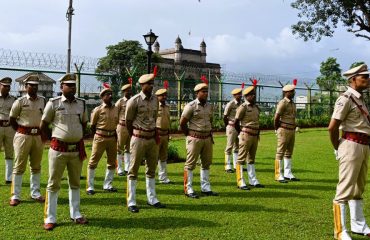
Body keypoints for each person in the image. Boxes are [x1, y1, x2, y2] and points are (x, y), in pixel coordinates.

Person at [41, 73, 88, 230]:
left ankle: (76, 214)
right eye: (69, 85)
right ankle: (50, 217)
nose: (72, 87)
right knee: (53, 184)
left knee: (75, 183)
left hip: (75, 150)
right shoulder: (53, 103)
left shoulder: (82, 104)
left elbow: (84, 124)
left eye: (74, 85)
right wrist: (54, 139)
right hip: (58, 150)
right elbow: (44, 125)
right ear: (61, 87)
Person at [329, 64, 370, 239]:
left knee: (358, 187)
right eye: (365, 77)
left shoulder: (360, 99)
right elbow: (332, 127)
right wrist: (337, 147)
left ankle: (358, 225)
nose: (368, 80)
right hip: (351, 144)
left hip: (363, 145)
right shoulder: (345, 99)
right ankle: (340, 230)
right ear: (353, 79)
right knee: (345, 188)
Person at [125, 73, 165, 213]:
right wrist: (135, 136)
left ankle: (152, 198)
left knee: (151, 169)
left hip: (152, 138)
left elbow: (154, 118)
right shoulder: (134, 101)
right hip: (138, 137)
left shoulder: (155, 100)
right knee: (133, 169)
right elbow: (128, 121)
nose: (151, 85)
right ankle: (132, 201)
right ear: (142, 85)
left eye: (152, 83)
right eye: (149, 83)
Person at [9, 74, 45, 206]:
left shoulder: (43, 100)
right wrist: (21, 131)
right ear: (26, 87)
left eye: (36, 85)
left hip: (37, 136)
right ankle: (15, 195)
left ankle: (35, 193)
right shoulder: (20, 101)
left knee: (36, 166)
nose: (34, 87)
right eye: (31, 85)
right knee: (19, 166)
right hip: (23, 135)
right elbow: (12, 119)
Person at [180, 82, 218, 199]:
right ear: (197, 93)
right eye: (203, 92)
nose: (206, 94)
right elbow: (182, 123)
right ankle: (188, 188)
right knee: (190, 164)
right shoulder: (191, 106)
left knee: (206, 163)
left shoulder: (209, 106)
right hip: (195, 138)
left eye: (207, 91)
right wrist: (189, 135)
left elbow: (210, 121)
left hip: (207, 138)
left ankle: (205, 188)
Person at [86, 87, 119, 195]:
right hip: (100, 137)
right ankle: (90, 187)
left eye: (111, 94)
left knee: (111, 162)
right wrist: (98, 134)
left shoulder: (116, 109)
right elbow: (93, 125)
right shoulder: (98, 110)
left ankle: (108, 185)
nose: (110, 96)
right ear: (102, 97)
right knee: (93, 162)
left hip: (112, 138)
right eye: (107, 94)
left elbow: (117, 122)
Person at [234, 85, 264, 190]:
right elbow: (236, 122)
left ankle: (253, 180)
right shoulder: (243, 107)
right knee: (241, 158)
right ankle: (240, 181)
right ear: (246, 96)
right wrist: (241, 133)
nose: (253, 96)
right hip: (246, 134)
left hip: (255, 135)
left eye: (254, 94)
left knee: (251, 159)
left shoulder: (256, 107)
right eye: (251, 95)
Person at [274, 81, 299, 183]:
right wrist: (277, 129)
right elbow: (276, 117)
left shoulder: (292, 103)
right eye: (292, 91)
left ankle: (288, 173)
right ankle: (278, 174)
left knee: (289, 152)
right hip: (283, 129)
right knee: (280, 152)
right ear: (286, 92)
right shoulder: (283, 103)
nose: (294, 93)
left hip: (291, 130)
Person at [0, 77, 16, 184]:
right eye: (4, 86)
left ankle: (9, 178)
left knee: (9, 153)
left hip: (10, 127)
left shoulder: (14, 99)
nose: (7, 88)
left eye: (8, 86)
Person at [223, 88, 242, 173]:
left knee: (237, 146)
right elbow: (225, 116)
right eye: (238, 94)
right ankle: (227, 166)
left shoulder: (241, 104)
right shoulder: (231, 104)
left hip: (239, 127)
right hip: (231, 126)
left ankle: (235, 165)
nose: (240, 95)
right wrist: (228, 125)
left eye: (240, 94)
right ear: (234, 95)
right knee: (229, 146)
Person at [155, 87, 172, 184]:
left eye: (165, 95)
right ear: (157, 97)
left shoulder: (167, 107)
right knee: (153, 156)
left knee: (163, 157)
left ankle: (163, 177)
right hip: (157, 134)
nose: (164, 97)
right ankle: (151, 176)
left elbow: (168, 121)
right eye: (162, 95)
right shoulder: (155, 107)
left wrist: (169, 134)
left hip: (165, 134)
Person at [115, 83, 132, 176]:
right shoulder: (120, 102)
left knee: (129, 148)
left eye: (130, 90)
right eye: (127, 90)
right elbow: (115, 114)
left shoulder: (133, 101)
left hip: (131, 127)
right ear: (124, 92)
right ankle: (119, 168)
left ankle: (127, 167)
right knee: (120, 147)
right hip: (122, 126)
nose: (129, 92)